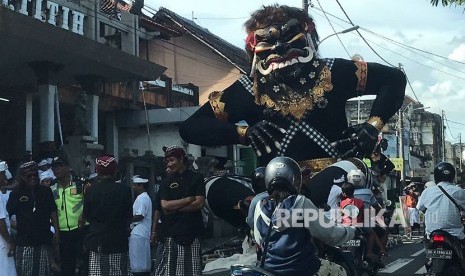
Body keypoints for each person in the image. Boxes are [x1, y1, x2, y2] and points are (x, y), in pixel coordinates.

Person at [179, 4, 406, 210]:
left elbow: (394, 79)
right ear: (254, 46)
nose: (279, 47)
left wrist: (371, 126)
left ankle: (286, 213)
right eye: (267, 41)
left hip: (334, 178)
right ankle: (263, 213)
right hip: (275, 188)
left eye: (288, 36)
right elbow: (190, 127)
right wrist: (243, 133)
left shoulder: (331, 72)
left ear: (306, 34)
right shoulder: (249, 89)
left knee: (347, 169)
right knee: (214, 187)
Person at [252, 156, 355, 275]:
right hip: (303, 269)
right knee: (340, 271)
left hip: (270, 270)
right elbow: (330, 234)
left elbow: (259, 239)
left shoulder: (260, 206)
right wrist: (350, 231)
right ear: (295, 179)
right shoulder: (301, 202)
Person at [154, 145, 206, 276]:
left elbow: (199, 203)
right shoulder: (166, 182)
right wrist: (188, 199)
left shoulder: (197, 178)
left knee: (193, 269)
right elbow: (164, 205)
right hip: (171, 232)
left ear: (181, 158)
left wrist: (175, 209)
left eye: (172, 160)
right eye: (167, 161)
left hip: (192, 231)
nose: (170, 164)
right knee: (171, 269)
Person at [6, 161, 60, 276]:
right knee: (24, 272)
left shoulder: (46, 191)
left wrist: (56, 231)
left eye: (35, 175)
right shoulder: (16, 193)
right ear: (22, 177)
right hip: (24, 242)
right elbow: (7, 216)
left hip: (44, 240)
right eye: (29, 176)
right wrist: (18, 226)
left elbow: (53, 211)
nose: (33, 178)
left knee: (43, 272)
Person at [83, 154, 132, 276]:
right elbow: (128, 216)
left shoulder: (91, 190)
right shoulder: (124, 190)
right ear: (114, 170)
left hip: (97, 241)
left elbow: (87, 215)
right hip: (118, 241)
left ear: (97, 171)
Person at [50, 155, 87, 276]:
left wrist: (84, 216)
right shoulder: (52, 188)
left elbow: (90, 203)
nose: (56, 170)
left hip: (81, 231)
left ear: (67, 167)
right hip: (63, 233)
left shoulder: (80, 184)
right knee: (66, 267)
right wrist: (56, 231)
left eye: (59, 166)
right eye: (54, 167)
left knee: (85, 264)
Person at [416, 162, 465, 241]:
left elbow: (420, 207)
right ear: (452, 176)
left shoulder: (427, 191)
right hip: (455, 234)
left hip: (432, 233)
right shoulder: (459, 191)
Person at [340, 181, 385, 262]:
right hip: (358, 225)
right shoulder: (360, 201)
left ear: (343, 193)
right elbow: (364, 213)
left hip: (345, 226)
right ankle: (370, 252)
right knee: (371, 233)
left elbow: (341, 214)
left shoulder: (342, 202)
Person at [348, 169, 387, 259]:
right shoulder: (367, 192)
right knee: (380, 231)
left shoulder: (345, 191)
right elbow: (377, 206)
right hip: (363, 221)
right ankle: (373, 251)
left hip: (347, 222)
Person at [129, 175, 152, 276]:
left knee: (138, 265)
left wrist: (126, 219)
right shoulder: (144, 197)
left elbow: (140, 215)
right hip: (141, 233)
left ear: (141, 186)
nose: (133, 187)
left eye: (135, 185)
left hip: (138, 233)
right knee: (142, 263)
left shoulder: (142, 198)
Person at [0, 161, 15, 276]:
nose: (5, 176)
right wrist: (9, 241)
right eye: (3, 174)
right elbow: (0, 222)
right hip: (2, 243)